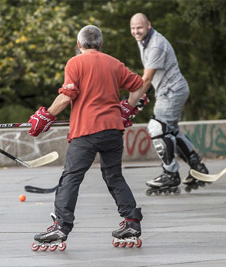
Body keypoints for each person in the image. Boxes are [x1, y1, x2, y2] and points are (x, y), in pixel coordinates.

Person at [28, 25, 145, 251]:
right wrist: (128, 109)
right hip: (113, 130)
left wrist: (45, 116)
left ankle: (61, 226)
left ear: (78, 44)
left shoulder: (75, 62)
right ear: (101, 44)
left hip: (87, 131)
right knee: (114, 176)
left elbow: (66, 96)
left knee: (71, 177)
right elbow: (139, 86)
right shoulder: (114, 63)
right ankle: (131, 221)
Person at [129, 13, 209, 194]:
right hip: (170, 90)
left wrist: (130, 104)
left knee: (157, 128)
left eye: (139, 27)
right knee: (170, 130)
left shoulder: (156, 44)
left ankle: (170, 173)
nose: (136, 31)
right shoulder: (144, 42)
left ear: (149, 25)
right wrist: (143, 96)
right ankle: (197, 167)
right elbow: (150, 76)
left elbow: (147, 78)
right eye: (133, 28)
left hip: (171, 91)